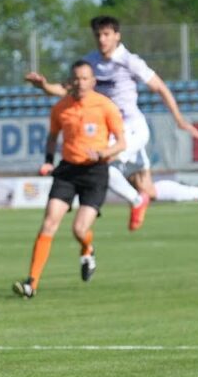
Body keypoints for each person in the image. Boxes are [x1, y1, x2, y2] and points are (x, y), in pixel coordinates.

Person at [25, 15, 198, 231]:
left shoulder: (130, 61)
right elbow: (66, 89)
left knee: (100, 166)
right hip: (113, 132)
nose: (102, 39)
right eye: (98, 35)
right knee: (148, 189)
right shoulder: (90, 63)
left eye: (106, 34)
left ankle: (137, 201)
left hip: (133, 129)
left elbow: (160, 87)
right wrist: (44, 86)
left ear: (117, 36)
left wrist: (179, 120)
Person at [13, 60, 126, 299]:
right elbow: (53, 137)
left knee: (79, 229)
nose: (80, 82)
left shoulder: (106, 106)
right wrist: (48, 160)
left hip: (96, 171)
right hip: (67, 171)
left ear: (93, 81)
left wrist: (104, 153)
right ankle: (31, 283)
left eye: (85, 78)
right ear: (70, 81)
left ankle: (87, 248)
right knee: (49, 222)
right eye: (76, 78)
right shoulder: (61, 108)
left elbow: (122, 142)